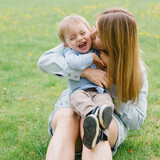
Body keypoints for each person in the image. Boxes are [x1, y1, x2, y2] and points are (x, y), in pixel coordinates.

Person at [38, 8, 148, 160]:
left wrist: (113, 83)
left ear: (112, 42)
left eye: (98, 34)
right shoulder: (82, 44)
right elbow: (44, 61)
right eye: (94, 28)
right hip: (73, 107)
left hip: (109, 118)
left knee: (96, 124)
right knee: (68, 118)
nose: (91, 34)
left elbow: (137, 122)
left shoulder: (137, 70)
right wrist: (84, 72)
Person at [57, 14, 114, 149]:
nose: (80, 38)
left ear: (89, 32)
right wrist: (91, 57)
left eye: (83, 33)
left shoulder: (97, 48)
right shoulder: (71, 53)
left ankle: (99, 133)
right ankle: (91, 116)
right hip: (80, 92)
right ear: (66, 44)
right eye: (72, 38)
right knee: (76, 99)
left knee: (106, 104)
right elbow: (74, 64)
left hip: (99, 91)